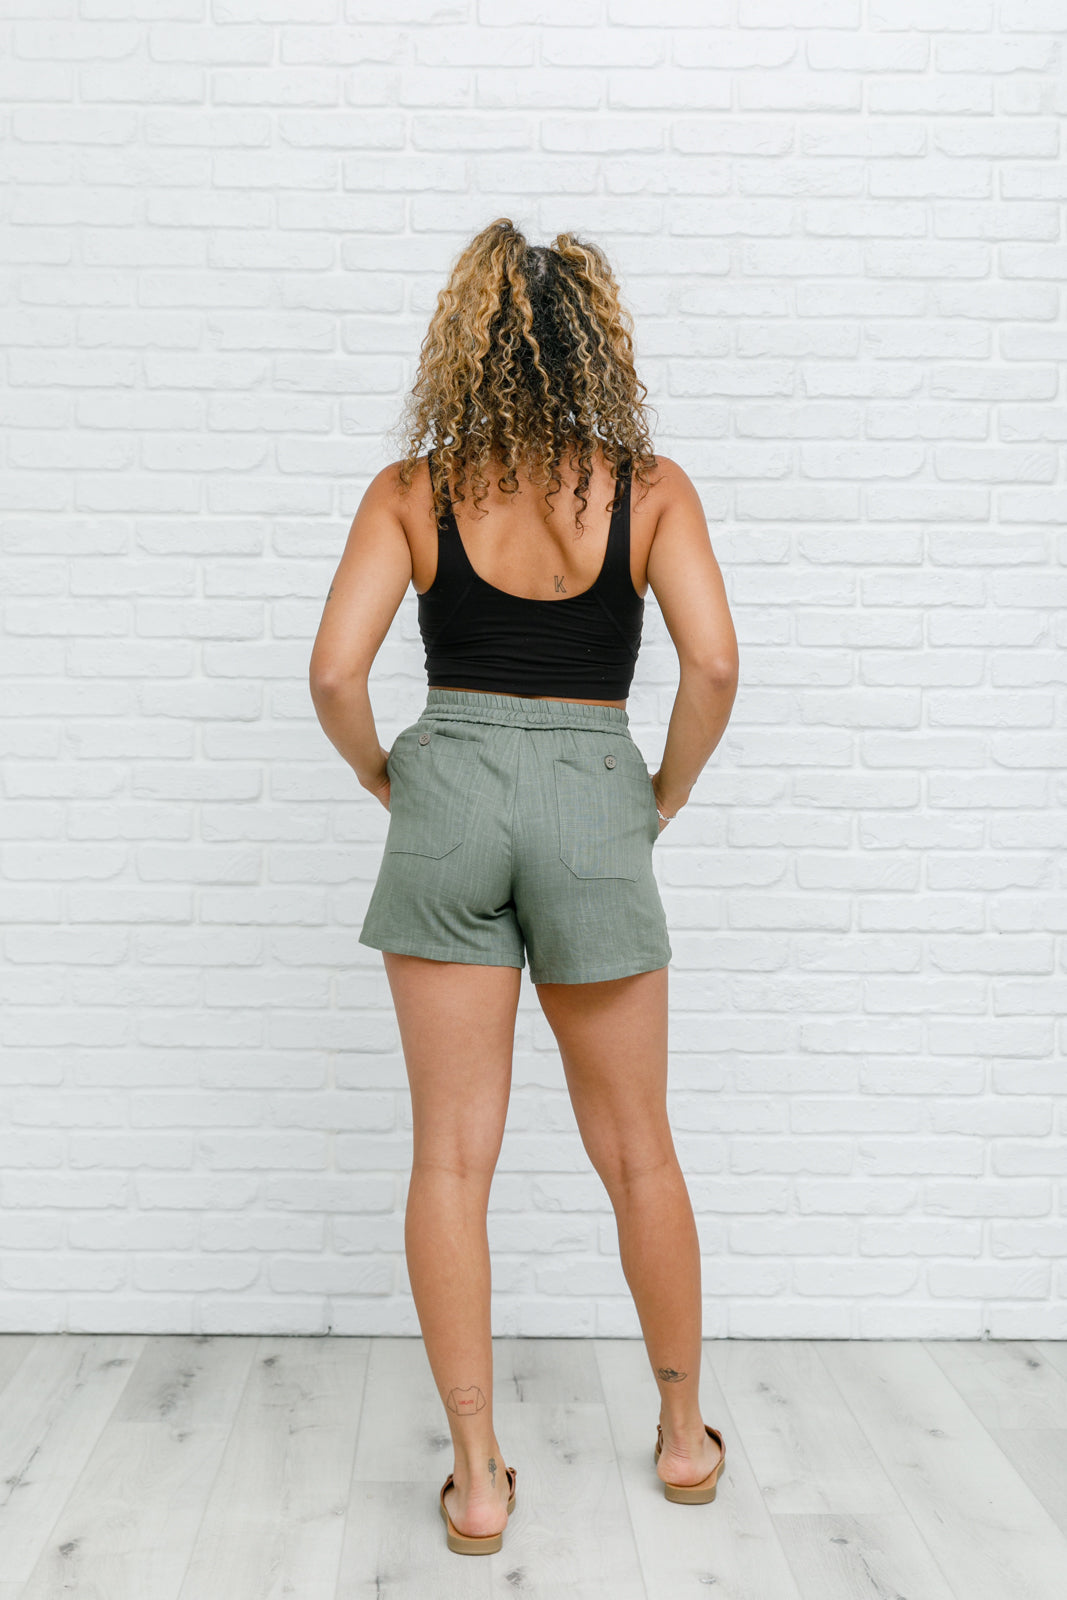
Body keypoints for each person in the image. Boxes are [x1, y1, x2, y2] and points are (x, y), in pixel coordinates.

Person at [309, 218, 739, 1556]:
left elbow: (334, 672)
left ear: (468, 345)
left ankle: (479, 1479)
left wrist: (389, 776)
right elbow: (716, 665)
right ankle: (684, 1439)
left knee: (451, 1154)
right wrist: (660, 795)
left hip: (448, 789)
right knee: (638, 1147)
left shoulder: (413, 490)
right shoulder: (649, 490)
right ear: (595, 346)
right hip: (594, 792)